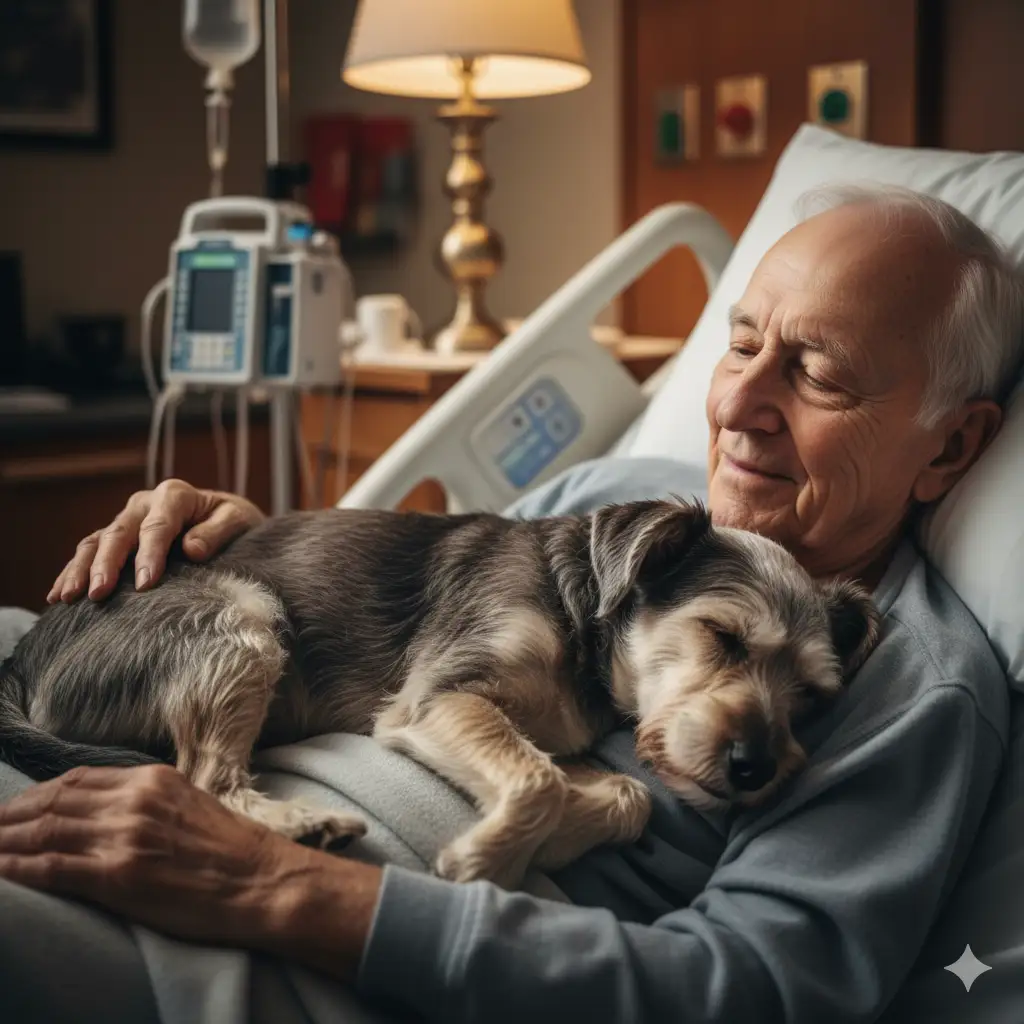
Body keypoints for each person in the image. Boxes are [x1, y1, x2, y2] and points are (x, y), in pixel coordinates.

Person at [2, 184, 1022, 1024]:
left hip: (284, 913)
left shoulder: (904, 678)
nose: (736, 404)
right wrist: (237, 538)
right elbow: (412, 607)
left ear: (950, 446)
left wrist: (265, 886)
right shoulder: (621, 496)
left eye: (815, 373)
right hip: (198, 741)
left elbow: (750, 988)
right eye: (743, 341)